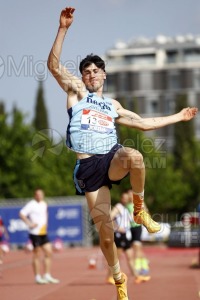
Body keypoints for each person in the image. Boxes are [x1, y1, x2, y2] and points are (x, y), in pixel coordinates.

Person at [47, 6, 198, 299]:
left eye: (95, 71)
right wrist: (63, 29)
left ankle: (140, 210)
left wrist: (178, 117)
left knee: (135, 156)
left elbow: (144, 123)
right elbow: (53, 66)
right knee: (105, 234)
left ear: (103, 75)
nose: (91, 75)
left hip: (112, 156)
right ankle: (119, 279)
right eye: (86, 72)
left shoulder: (113, 105)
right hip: (88, 167)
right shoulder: (76, 92)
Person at [19, 188, 60, 285]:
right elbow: (21, 214)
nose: (39, 196)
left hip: (43, 233)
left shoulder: (44, 204)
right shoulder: (31, 204)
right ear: (35, 195)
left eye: (41, 194)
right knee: (37, 254)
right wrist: (29, 223)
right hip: (34, 233)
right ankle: (37, 277)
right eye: (37, 194)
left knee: (49, 252)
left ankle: (47, 275)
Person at [106, 192, 137, 285]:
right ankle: (109, 277)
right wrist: (117, 227)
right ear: (121, 198)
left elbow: (132, 220)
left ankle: (136, 276)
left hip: (126, 236)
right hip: (119, 235)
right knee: (116, 259)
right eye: (124, 197)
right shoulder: (118, 207)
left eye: (127, 198)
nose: (126, 199)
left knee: (130, 256)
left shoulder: (127, 208)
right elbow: (109, 217)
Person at [126, 189, 150, 283]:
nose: (128, 196)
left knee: (137, 246)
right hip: (129, 229)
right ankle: (144, 264)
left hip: (137, 227)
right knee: (137, 248)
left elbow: (146, 212)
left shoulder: (139, 203)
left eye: (129, 194)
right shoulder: (126, 204)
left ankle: (140, 267)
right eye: (127, 194)